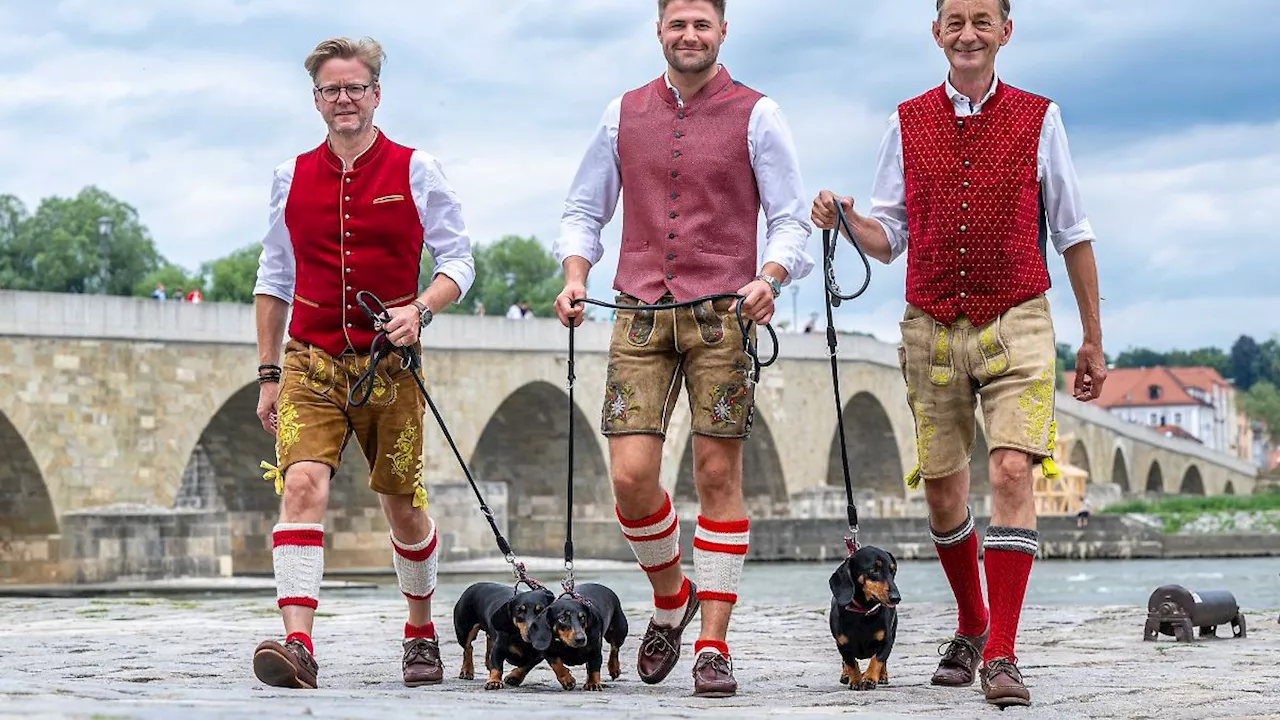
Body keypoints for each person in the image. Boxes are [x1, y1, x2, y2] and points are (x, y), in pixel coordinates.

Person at [811, 0, 1106, 707]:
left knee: (1010, 470)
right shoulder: (904, 121)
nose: (968, 33)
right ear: (937, 32)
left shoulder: (1042, 117)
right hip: (931, 325)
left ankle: (1000, 651)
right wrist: (848, 218)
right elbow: (889, 238)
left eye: (983, 20)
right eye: (955, 20)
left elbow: (1073, 232)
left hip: (1019, 318)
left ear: (1006, 31)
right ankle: (971, 622)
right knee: (943, 487)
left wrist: (1094, 336)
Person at [552, 0, 813, 698]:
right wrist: (576, 276)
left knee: (716, 472)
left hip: (723, 315)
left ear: (722, 30)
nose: (689, 35)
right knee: (632, 478)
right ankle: (673, 595)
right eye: (677, 24)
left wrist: (772, 277)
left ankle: (713, 645)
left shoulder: (759, 114)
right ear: (659, 31)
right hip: (637, 310)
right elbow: (584, 208)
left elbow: (789, 220)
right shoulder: (621, 113)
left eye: (702, 24)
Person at [250, 35, 475, 690]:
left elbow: (459, 261)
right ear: (316, 100)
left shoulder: (415, 168)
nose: (343, 99)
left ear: (376, 93)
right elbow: (273, 277)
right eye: (330, 89)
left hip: (390, 363)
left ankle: (419, 629)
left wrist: (422, 310)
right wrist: (268, 373)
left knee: (401, 503)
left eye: (354, 87)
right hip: (310, 360)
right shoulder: (289, 176)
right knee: (300, 485)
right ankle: (298, 644)